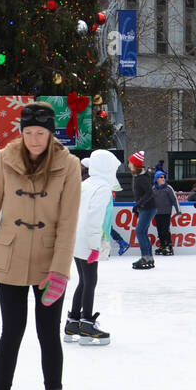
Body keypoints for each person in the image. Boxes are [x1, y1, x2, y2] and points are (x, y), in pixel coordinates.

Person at [0, 102, 81, 390]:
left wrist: (60, 271)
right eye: (28, 133)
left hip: (49, 262)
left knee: (49, 334)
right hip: (9, 258)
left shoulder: (69, 165)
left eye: (41, 133)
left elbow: (68, 223)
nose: (34, 140)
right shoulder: (5, 158)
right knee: (12, 331)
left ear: (51, 133)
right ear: (21, 132)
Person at [65, 148, 118, 345]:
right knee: (90, 281)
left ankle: (73, 323)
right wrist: (95, 245)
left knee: (83, 281)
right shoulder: (102, 188)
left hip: (77, 238)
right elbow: (94, 219)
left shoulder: (85, 184)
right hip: (87, 240)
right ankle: (86, 324)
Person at [128, 150, 155, 268]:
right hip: (147, 207)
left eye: (130, 162)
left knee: (139, 231)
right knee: (143, 232)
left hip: (148, 207)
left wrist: (138, 205)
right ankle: (149, 258)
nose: (128, 164)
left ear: (135, 165)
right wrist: (138, 205)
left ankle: (146, 257)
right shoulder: (138, 176)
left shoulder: (141, 178)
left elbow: (149, 193)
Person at [151, 167, 180, 256]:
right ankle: (163, 245)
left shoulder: (168, 188)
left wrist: (178, 210)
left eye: (164, 177)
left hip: (166, 212)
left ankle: (169, 246)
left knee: (165, 229)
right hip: (157, 213)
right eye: (161, 177)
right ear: (156, 179)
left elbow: (174, 199)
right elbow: (150, 199)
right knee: (159, 230)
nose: (163, 179)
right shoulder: (154, 189)